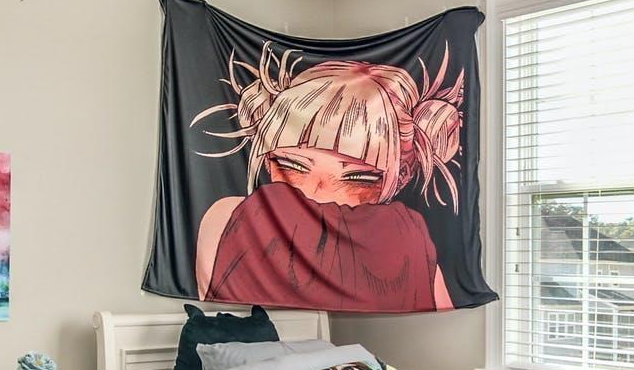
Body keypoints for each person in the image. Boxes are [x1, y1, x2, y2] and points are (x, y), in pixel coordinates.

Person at [192, 44, 464, 313]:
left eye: (358, 177)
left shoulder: (406, 238)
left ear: (400, 178)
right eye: (291, 165)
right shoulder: (232, 217)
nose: (316, 192)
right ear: (267, 158)